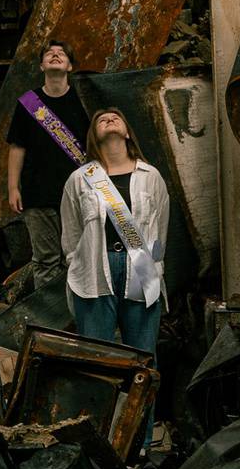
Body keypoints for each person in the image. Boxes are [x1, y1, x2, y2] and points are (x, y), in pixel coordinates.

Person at [60, 106, 171, 372]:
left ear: (128, 133)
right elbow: (71, 233)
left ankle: (143, 415)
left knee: (141, 361)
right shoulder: (80, 180)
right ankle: (98, 415)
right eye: (101, 119)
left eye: (116, 117)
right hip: (94, 271)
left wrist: (154, 267)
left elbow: (160, 230)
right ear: (93, 137)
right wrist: (78, 264)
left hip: (142, 268)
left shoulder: (150, 176)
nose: (109, 119)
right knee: (96, 360)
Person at [5, 38, 91, 288]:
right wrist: (13, 188)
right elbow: (17, 147)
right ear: (42, 66)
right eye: (49, 53)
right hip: (37, 193)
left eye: (61, 53)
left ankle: (76, 315)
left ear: (70, 66)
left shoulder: (82, 101)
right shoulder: (28, 104)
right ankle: (48, 320)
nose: (55, 55)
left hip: (78, 193)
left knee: (79, 258)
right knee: (45, 261)